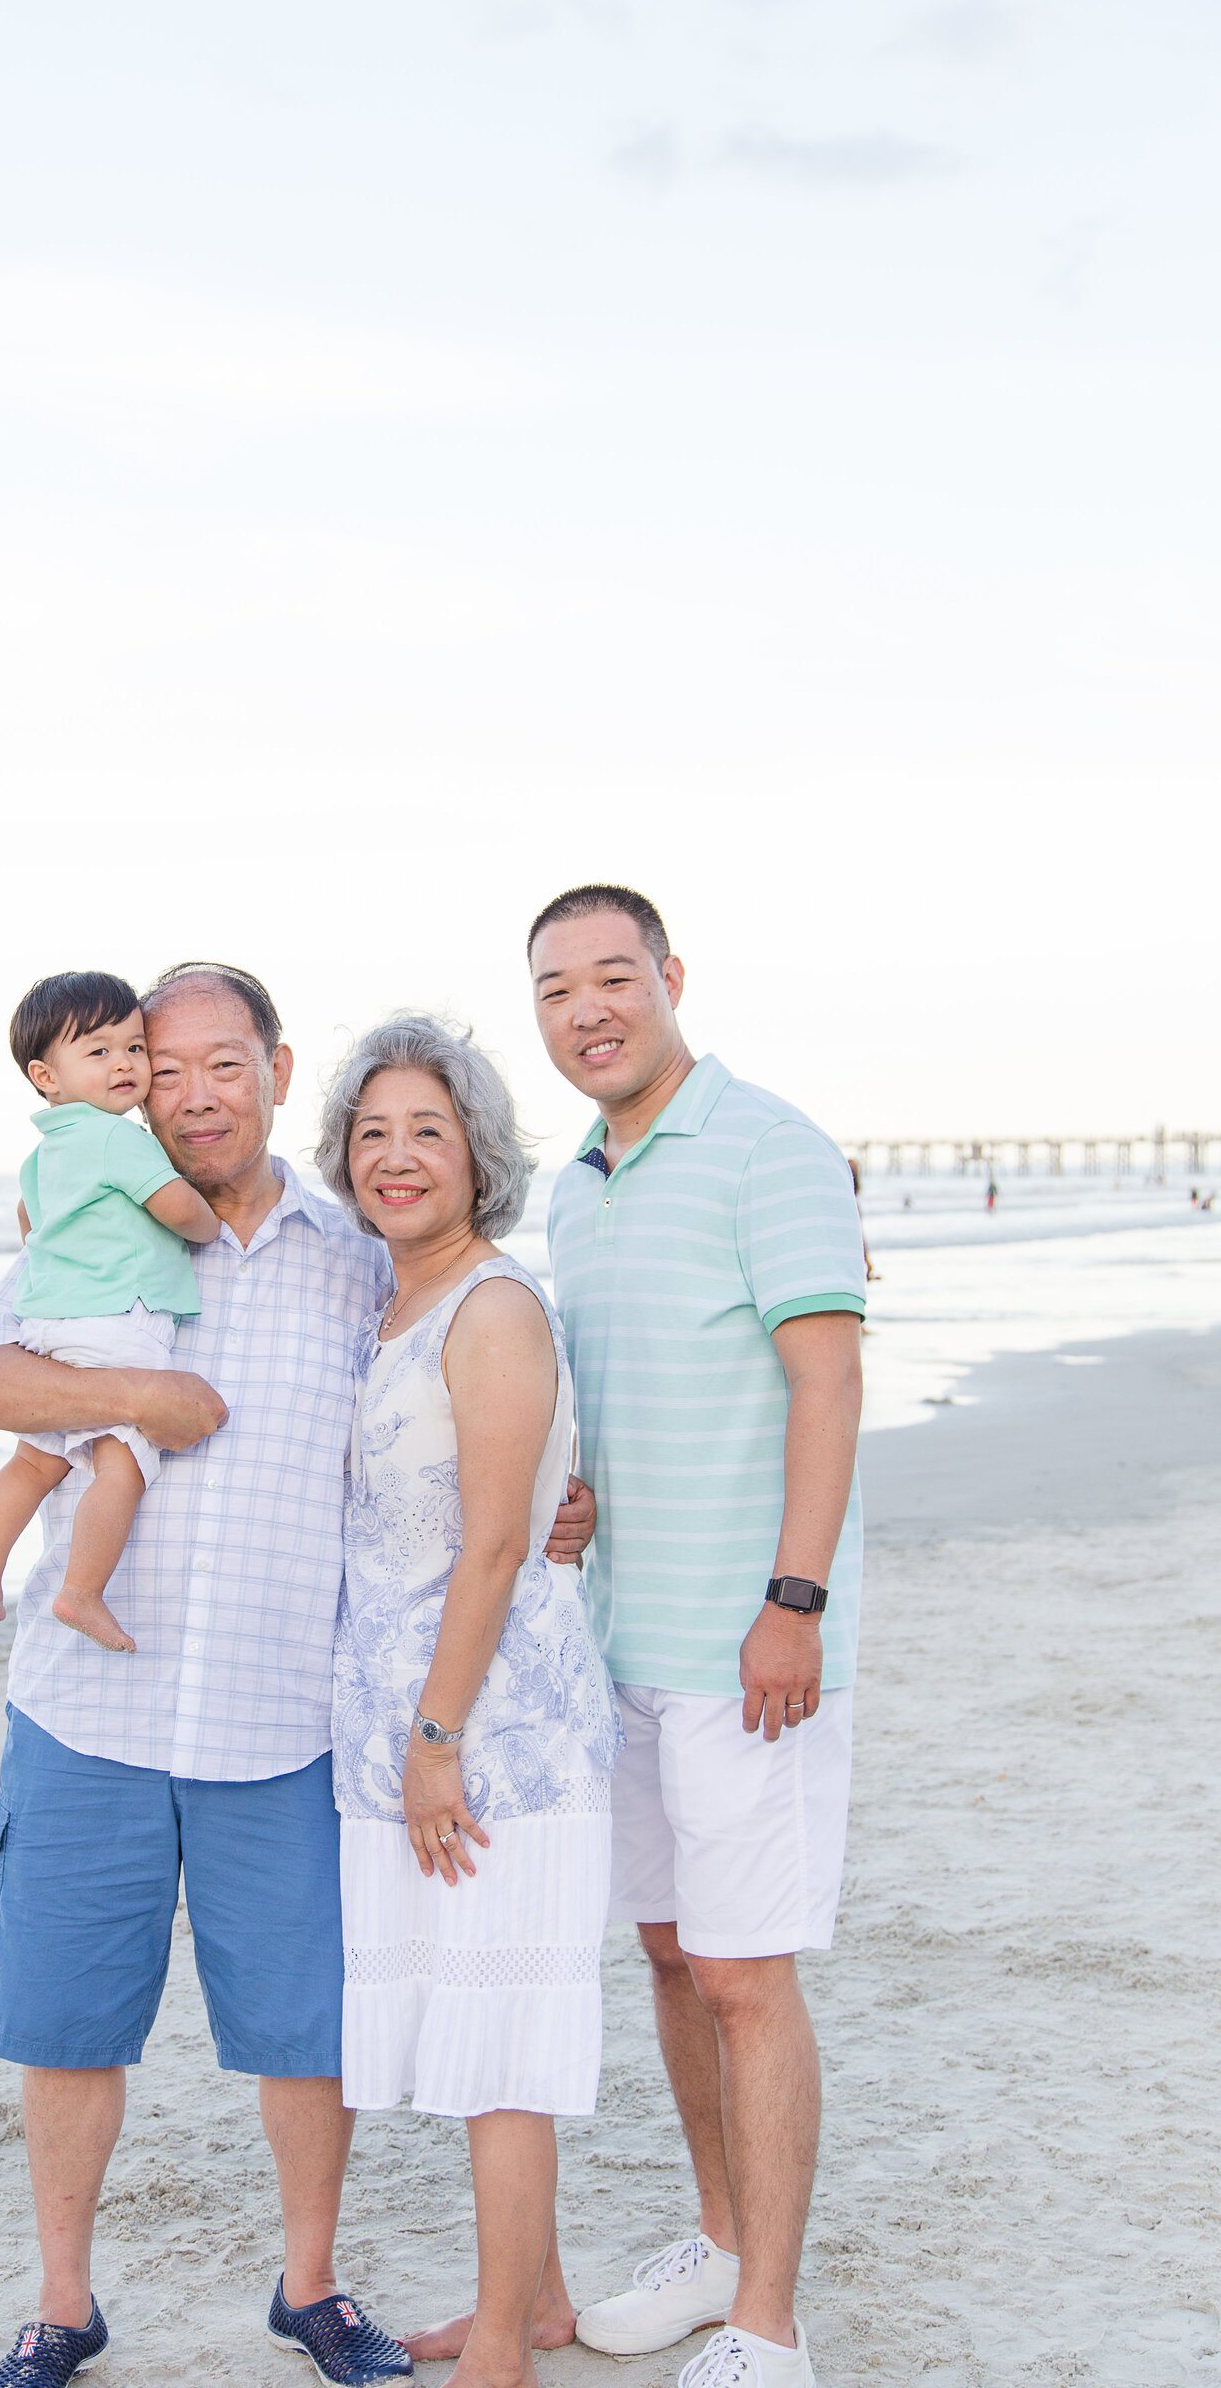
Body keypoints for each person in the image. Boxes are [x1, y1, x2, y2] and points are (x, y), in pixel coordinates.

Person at [0, 962, 598, 2388]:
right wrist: (130, 1395)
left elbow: (464, 1385)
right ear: (126, 1078)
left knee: (306, 2032)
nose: (189, 1095)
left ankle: (311, 2287)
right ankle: (63, 2305)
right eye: (160, 1068)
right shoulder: (93, 1218)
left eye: (220, 1065)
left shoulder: (358, 1255)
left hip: (280, 1718)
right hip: (85, 1705)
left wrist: (564, 1493)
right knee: (67, 2019)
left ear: (277, 1071)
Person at [529, 885, 866, 2388]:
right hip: (624, 1646)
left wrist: (793, 1604)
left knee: (747, 1975)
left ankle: (770, 2327)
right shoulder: (573, 1186)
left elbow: (827, 1385)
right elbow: (626, 1387)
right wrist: (579, 1496)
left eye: (613, 976)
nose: (587, 1008)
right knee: (670, 1957)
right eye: (555, 989)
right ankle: (720, 2243)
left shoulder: (768, 1146)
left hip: (751, 1651)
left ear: (671, 977)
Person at [314, 1017, 620, 2388]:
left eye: (426, 1130)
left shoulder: (491, 1307)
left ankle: (503, 2346)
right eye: (372, 1131)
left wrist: (435, 1738)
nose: (395, 1156)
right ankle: (539, 2296)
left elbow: (498, 1542)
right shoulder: (389, 1300)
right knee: (470, 2015)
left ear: (479, 1155)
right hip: (403, 1730)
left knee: (502, 2047)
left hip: (497, 1737)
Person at [0, 971, 221, 1654]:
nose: (125, 1065)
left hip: (50, 1324)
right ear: (46, 1075)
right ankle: (82, 1591)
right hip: (114, 1321)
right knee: (122, 1460)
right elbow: (179, 1210)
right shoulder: (119, 1138)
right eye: (98, 1052)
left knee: (35, 1459)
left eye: (135, 1048)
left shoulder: (41, 1157)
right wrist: (206, 1223)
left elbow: (30, 1227)